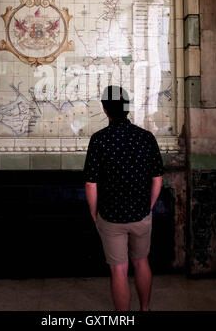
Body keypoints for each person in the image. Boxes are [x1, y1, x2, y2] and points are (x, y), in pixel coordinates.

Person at [84, 86, 164, 311]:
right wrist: (147, 206)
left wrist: (94, 212)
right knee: (141, 262)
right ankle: (145, 309)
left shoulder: (99, 140)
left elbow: (91, 183)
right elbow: (157, 178)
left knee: (118, 269)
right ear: (127, 108)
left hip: (110, 218)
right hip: (140, 215)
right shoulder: (146, 138)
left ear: (104, 110)